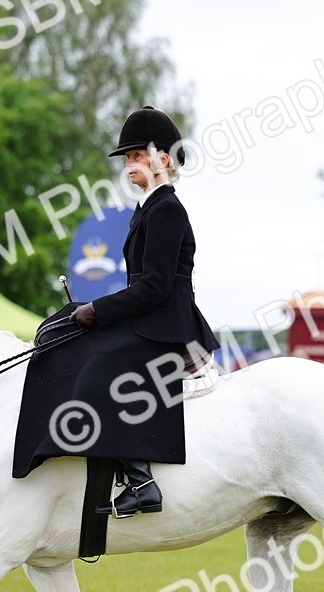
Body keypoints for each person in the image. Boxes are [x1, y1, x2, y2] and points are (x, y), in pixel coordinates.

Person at [66, 106, 220, 518]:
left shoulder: (167, 209)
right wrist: (90, 309)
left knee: (100, 372)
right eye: (128, 158)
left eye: (137, 156)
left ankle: (142, 482)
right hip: (151, 322)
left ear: (163, 160)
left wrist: (97, 309)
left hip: (169, 329)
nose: (129, 164)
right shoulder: (146, 208)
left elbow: (153, 288)